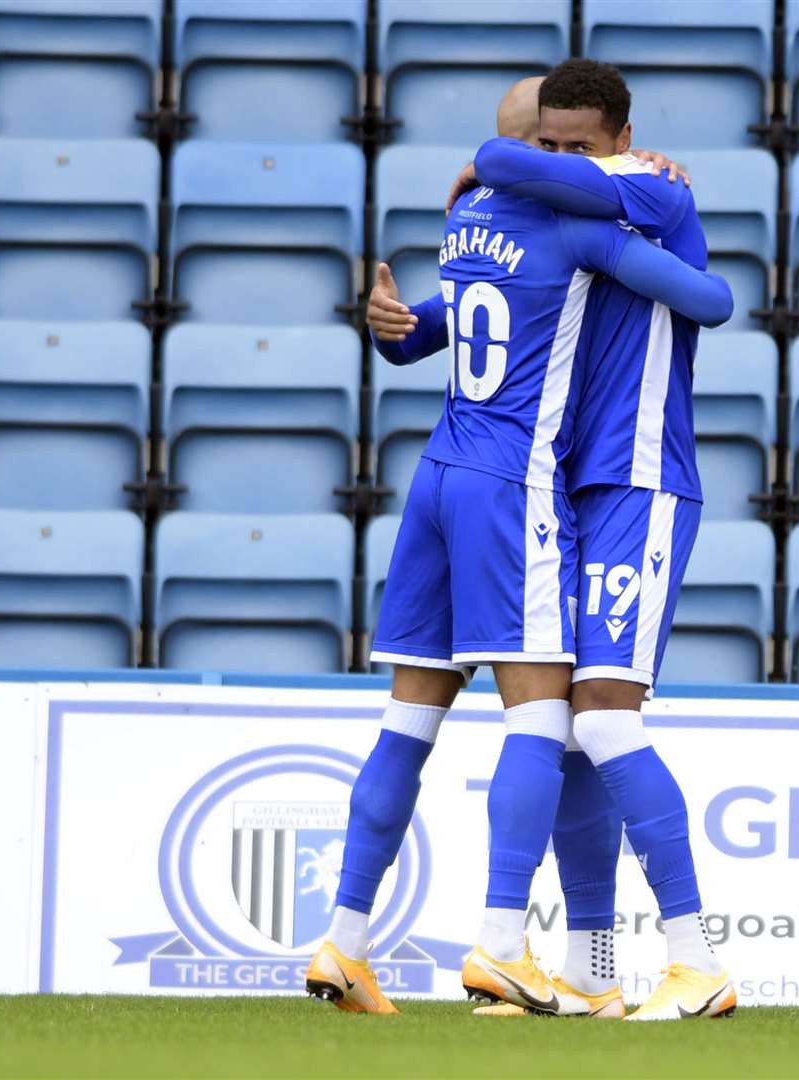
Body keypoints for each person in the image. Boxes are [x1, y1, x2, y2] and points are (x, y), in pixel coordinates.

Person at [304, 77, 733, 1018]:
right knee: (564, 722)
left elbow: (707, 298)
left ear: (621, 140)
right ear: (541, 145)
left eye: (588, 149)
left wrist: (477, 186)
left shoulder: (497, 215)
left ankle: (379, 939)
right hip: (535, 482)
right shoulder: (576, 225)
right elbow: (710, 296)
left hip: (576, 478)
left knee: (560, 720)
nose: (571, 164)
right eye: (557, 148)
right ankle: (548, 958)